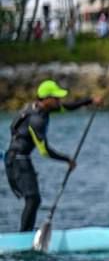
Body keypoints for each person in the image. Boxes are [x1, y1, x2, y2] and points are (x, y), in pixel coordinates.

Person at [6, 80, 100, 232]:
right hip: (18, 160)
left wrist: (89, 101)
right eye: (56, 98)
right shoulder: (37, 120)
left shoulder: (38, 108)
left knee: (33, 199)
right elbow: (44, 151)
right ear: (46, 99)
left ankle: (25, 233)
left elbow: (68, 107)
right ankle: (24, 236)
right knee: (33, 199)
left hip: (18, 158)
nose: (59, 101)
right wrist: (67, 159)